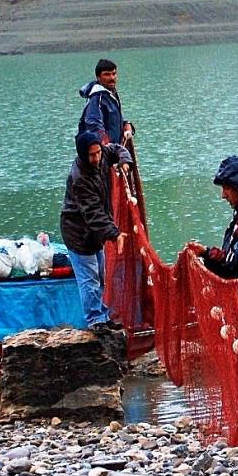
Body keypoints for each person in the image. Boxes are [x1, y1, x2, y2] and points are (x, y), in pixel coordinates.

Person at [61, 130, 133, 329]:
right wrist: (115, 234)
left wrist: (124, 161)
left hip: (94, 235)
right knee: (89, 278)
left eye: (98, 153)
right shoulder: (80, 178)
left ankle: (102, 315)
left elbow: (117, 149)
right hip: (78, 234)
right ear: (83, 154)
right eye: (92, 155)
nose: (97, 158)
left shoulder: (102, 155)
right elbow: (93, 214)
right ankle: (95, 321)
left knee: (100, 274)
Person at [189, 155, 238, 279]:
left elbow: (234, 267)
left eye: (227, 188)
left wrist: (207, 254)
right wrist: (205, 252)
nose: (223, 195)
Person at [78, 58, 135, 146]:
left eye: (114, 74)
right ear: (98, 77)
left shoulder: (111, 93)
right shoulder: (97, 98)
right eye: (107, 74)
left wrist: (127, 126)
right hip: (103, 154)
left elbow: (116, 118)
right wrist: (109, 149)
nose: (112, 78)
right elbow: (94, 126)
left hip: (115, 150)